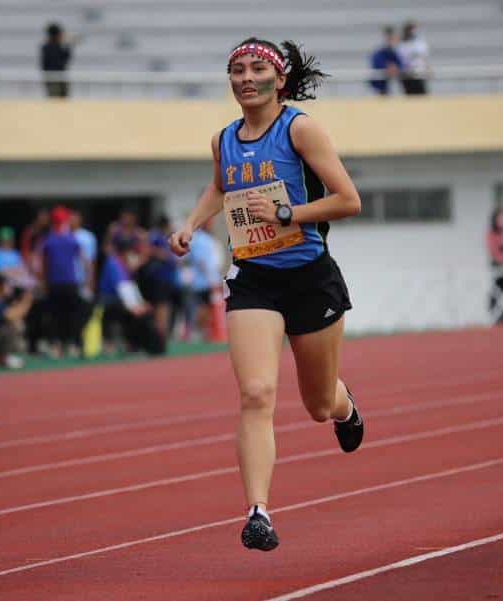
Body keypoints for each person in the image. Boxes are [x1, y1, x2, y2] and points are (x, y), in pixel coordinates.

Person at [168, 38, 364, 552]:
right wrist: (191, 225)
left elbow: (348, 200)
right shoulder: (223, 140)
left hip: (309, 276)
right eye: (236, 70)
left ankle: (344, 406)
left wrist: (286, 215)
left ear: (279, 80)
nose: (245, 78)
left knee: (317, 404)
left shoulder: (300, 129)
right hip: (254, 277)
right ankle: (258, 512)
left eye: (257, 68)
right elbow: (220, 187)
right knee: (256, 393)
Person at [97, 239, 164, 356]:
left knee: (145, 312)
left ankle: (147, 346)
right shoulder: (113, 263)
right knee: (136, 316)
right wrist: (134, 307)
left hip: (122, 301)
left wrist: (141, 303)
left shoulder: (123, 264)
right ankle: (133, 345)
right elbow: (121, 288)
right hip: (110, 302)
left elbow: (131, 286)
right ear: (125, 252)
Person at [40, 205, 85, 357]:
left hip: (57, 282)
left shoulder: (49, 239)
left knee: (57, 316)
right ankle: (71, 345)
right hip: (68, 282)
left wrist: (43, 282)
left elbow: (44, 264)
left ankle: (58, 345)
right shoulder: (70, 238)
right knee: (70, 315)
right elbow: (83, 259)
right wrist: (87, 279)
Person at [40, 22, 79, 99]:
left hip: (59, 78)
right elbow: (61, 62)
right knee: (56, 99)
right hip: (53, 79)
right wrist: (68, 45)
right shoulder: (48, 47)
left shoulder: (51, 47)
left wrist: (68, 45)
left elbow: (65, 58)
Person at [397, 20, 431, 95]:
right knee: (409, 95)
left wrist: (427, 69)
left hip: (418, 73)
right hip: (406, 74)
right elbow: (400, 59)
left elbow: (424, 58)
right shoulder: (401, 44)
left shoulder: (419, 43)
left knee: (421, 94)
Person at [368, 26, 403, 96]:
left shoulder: (396, 51)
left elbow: (401, 63)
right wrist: (387, 66)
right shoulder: (379, 52)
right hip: (380, 83)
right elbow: (376, 63)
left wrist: (395, 67)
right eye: (390, 38)